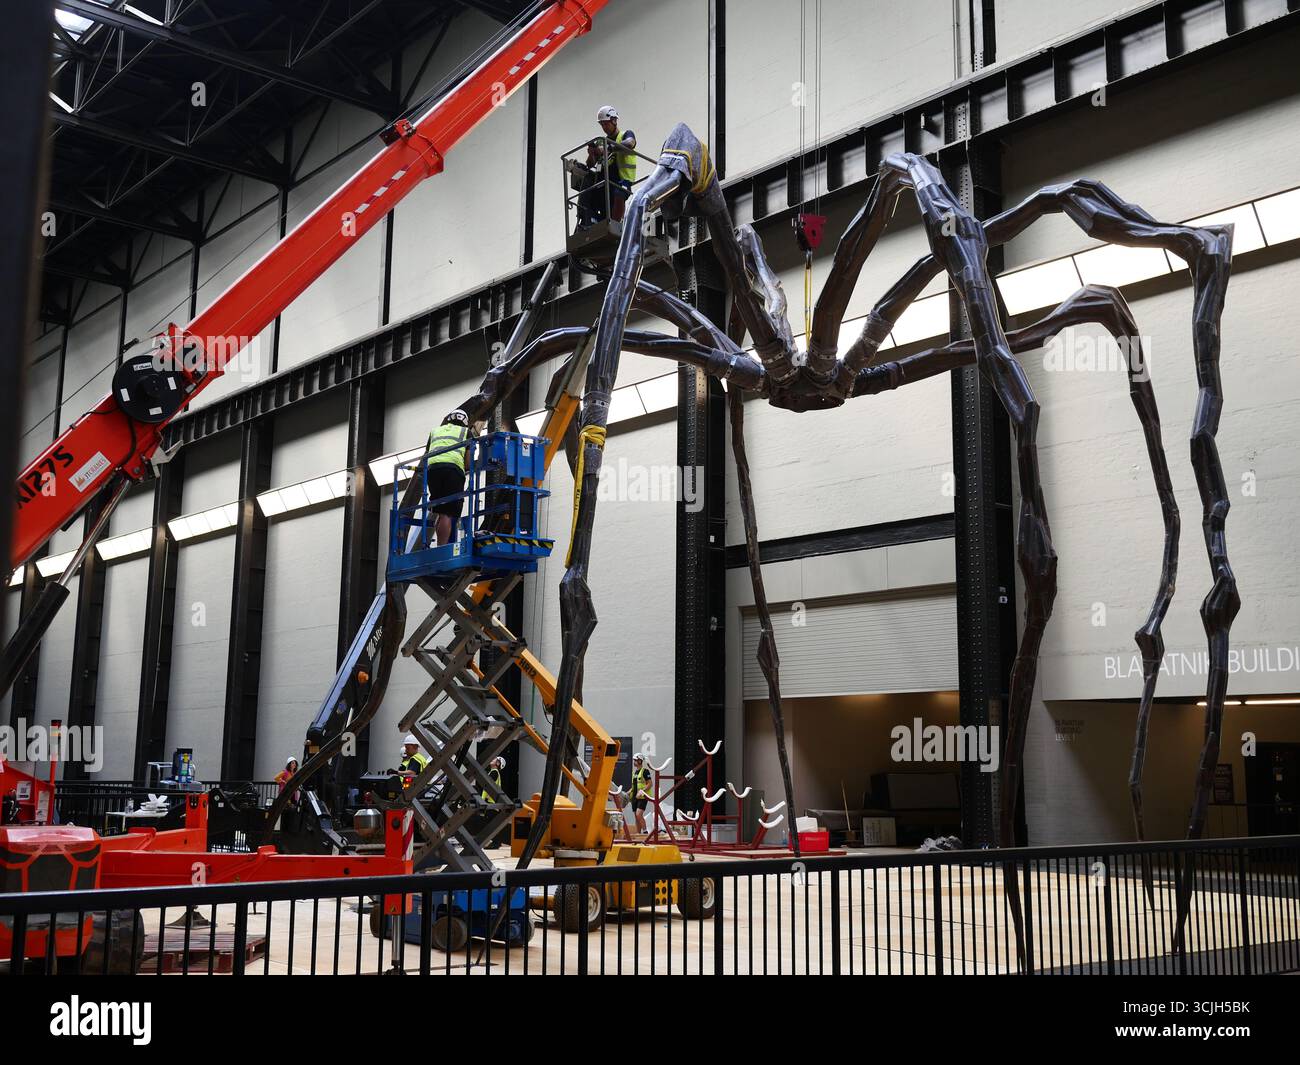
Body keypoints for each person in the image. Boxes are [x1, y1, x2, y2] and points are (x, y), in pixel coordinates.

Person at [577, 105, 636, 227]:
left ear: (614, 121)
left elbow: (630, 143)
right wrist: (592, 153)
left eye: (606, 124)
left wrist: (608, 148)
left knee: (619, 193)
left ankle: (615, 224)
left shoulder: (625, 134)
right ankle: (587, 222)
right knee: (589, 193)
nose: (604, 127)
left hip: (622, 181)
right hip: (604, 184)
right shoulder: (601, 141)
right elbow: (590, 164)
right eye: (602, 125)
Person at [422, 409, 474, 547]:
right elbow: (468, 463)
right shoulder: (465, 432)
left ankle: (439, 544)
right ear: (465, 422)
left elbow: (426, 455)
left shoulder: (435, 431)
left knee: (440, 509)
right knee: (447, 513)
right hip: (451, 470)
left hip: (432, 470)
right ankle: (442, 547)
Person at [630, 753, 652, 834]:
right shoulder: (635, 772)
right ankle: (638, 835)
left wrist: (642, 791)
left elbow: (650, 784)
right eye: (634, 760)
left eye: (635, 760)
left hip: (642, 797)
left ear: (640, 761)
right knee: (636, 817)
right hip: (635, 797)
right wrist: (628, 793)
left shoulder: (645, 771)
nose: (634, 762)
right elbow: (634, 786)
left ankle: (645, 832)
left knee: (639, 814)